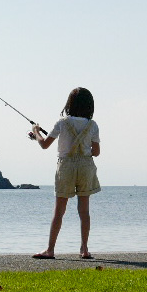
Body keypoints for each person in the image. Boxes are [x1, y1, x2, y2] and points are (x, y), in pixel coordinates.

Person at [29, 87, 101, 260]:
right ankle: (84, 249)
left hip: (66, 166)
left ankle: (50, 249)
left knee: (59, 211)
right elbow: (96, 152)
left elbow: (45, 145)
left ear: (70, 103)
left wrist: (36, 132)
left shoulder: (62, 123)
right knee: (84, 211)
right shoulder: (92, 125)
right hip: (85, 166)